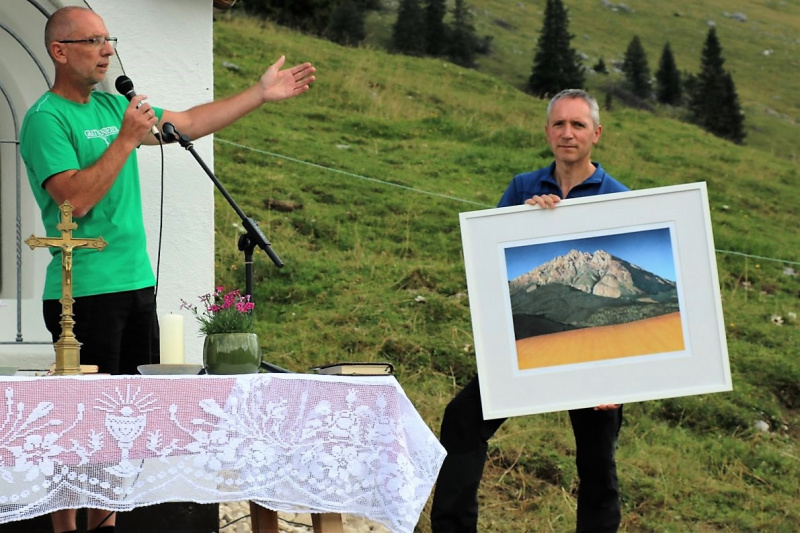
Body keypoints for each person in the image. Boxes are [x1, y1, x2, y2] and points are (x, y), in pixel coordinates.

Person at [19, 6, 315, 533]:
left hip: (136, 287)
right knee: (89, 432)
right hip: (83, 294)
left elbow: (192, 123)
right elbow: (74, 199)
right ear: (60, 51)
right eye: (94, 40)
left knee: (131, 427)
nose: (108, 49)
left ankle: (111, 521)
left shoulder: (114, 104)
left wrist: (259, 94)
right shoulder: (46, 119)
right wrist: (127, 139)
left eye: (109, 38)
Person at [430, 89, 626, 533]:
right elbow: (490, 261)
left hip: (593, 356)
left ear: (596, 134)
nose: (567, 133)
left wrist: (620, 376)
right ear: (547, 132)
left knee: (596, 461)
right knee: (462, 422)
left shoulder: (618, 197)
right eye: (559, 124)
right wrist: (523, 220)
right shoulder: (523, 187)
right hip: (525, 346)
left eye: (578, 125)